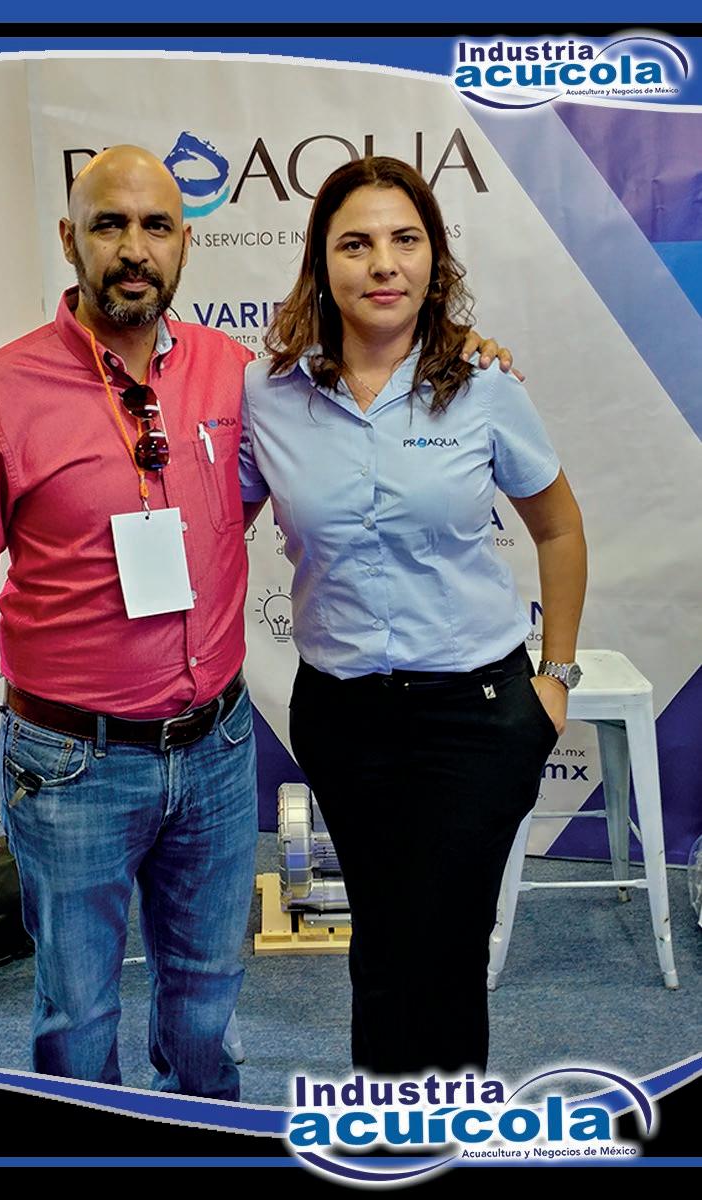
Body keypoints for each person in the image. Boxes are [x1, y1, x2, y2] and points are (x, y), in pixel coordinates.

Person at [0, 144, 516, 1095]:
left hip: (218, 750)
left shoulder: (237, 376)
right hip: (72, 763)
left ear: (185, 245)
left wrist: (457, 347)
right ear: (69, 239)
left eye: (157, 226)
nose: (133, 249)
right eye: (109, 225)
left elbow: (362, 368)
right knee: (76, 1010)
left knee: (205, 994)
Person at [240, 156, 587, 1077]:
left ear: (435, 259)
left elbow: (558, 527)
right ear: (322, 262)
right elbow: (215, 522)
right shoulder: (268, 394)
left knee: (448, 942)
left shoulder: (483, 384)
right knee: (384, 936)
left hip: (477, 713)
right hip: (343, 712)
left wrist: (556, 678)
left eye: (405, 240)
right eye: (355, 243)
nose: (383, 263)